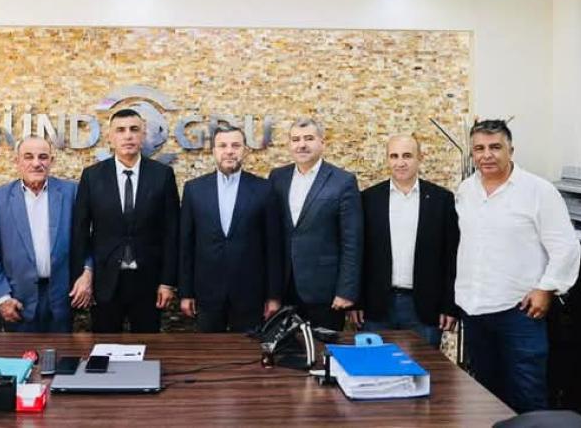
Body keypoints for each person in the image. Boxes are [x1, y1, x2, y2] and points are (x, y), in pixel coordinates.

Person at [456, 119, 580, 413]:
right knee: (485, 398)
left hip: (519, 313)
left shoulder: (538, 191)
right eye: (479, 149)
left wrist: (546, 288)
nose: (487, 155)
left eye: (495, 147)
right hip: (474, 311)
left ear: (511, 150)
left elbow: (566, 246)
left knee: (527, 396)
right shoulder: (466, 190)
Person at [71, 108, 180, 333]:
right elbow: (80, 231)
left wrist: (168, 281)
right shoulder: (92, 176)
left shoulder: (162, 175)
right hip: (105, 281)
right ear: (110, 137)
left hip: (149, 281)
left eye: (134, 129)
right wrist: (82, 274)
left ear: (143, 135)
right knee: (104, 346)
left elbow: (172, 232)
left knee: (148, 346)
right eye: (120, 130)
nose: (128, 135)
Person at [349, 134, 459, 346]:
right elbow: (359, 253)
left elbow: (451, 256)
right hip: (376, 307)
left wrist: (449, 305)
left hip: (425, 307)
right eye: (394, 156)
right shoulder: (369, 199)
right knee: (376, 366)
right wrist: (356, 302)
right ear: (387, 159)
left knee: (422, 365)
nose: (400, 162)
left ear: (420, 158)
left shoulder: (441, 199)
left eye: (407, 155)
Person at [179, 125, 282, 333]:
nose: (229, 151)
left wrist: (273, 296)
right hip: (206, 293)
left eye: (235, 145)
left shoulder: (264, 189)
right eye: (223, 146)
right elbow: (186, 245)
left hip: (250, 293)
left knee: (248, 350)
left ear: (245, 150)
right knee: (209, 349)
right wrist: (185, 292)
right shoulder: (194, 189)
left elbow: (273, 246)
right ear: (213, 151)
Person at [268, 118, 362, 330]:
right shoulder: (277, 177)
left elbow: (352, 241)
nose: (302, 144)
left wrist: (346, 291)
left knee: (324, 348)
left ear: (322, 142)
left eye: (309, 138)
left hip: (325, 292)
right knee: (285, 348)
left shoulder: (343, 181)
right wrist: (271, 292)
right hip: (284, 288)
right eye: (296, 139)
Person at [0, 136, 78, 332]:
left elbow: (86, 240)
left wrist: (87, 273)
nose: (36, 163)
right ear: (17, 161)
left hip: (62, 298)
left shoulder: (71, 193)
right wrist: (2, 297)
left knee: (62, 352)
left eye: (43, 157)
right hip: (17, 301)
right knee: (21, 352)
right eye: (28, 157)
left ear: (51, 161)